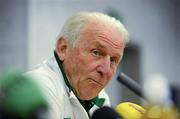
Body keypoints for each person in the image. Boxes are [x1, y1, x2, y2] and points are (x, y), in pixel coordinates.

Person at [26, 12, 129, 119]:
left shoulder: (100, 96)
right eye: (96, 52)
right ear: (63, 48)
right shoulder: (40, 88)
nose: (106, 71)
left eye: (113, 60)